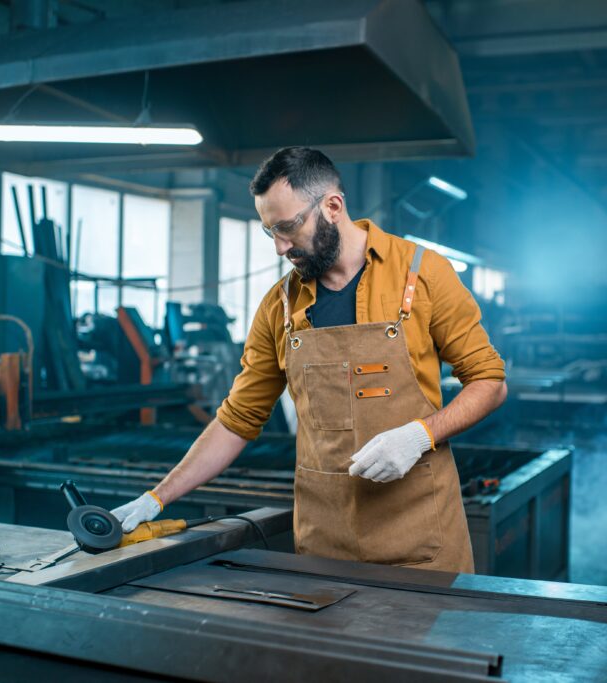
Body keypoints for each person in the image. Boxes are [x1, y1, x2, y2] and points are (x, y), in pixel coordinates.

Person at [112, 147, 507, 573]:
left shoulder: (423, 273)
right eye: (270, 233)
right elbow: (237, 419)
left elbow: (489, 381)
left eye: (288, 227)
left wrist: (419, 436)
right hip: (325, 542)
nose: (281, 247)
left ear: (333, 206)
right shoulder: (278, 306)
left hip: (421, 538)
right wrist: (158, 496)